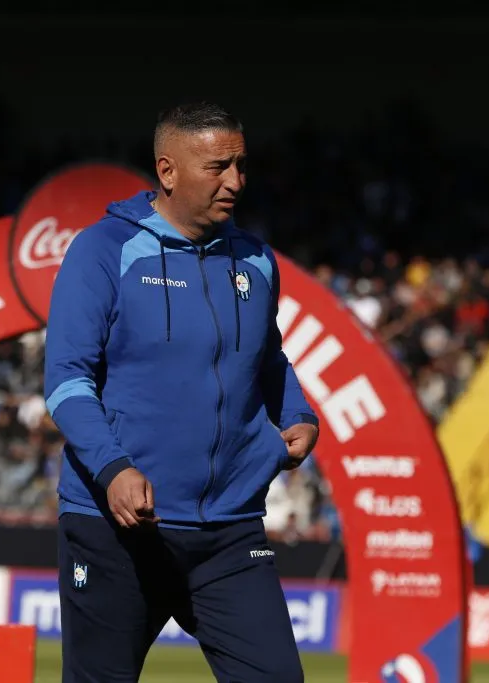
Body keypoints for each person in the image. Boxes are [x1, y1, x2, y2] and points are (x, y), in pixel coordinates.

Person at [44, 102, 319, 683]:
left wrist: (295, 411)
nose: (236, 181)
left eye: (241, 165)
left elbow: (268, 357)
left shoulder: (257, 260)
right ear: (167, 171)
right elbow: (67, 381)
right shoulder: (102, 251)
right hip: (118, 527)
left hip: (230, 530)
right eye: (218, 166)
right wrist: (113, 467)